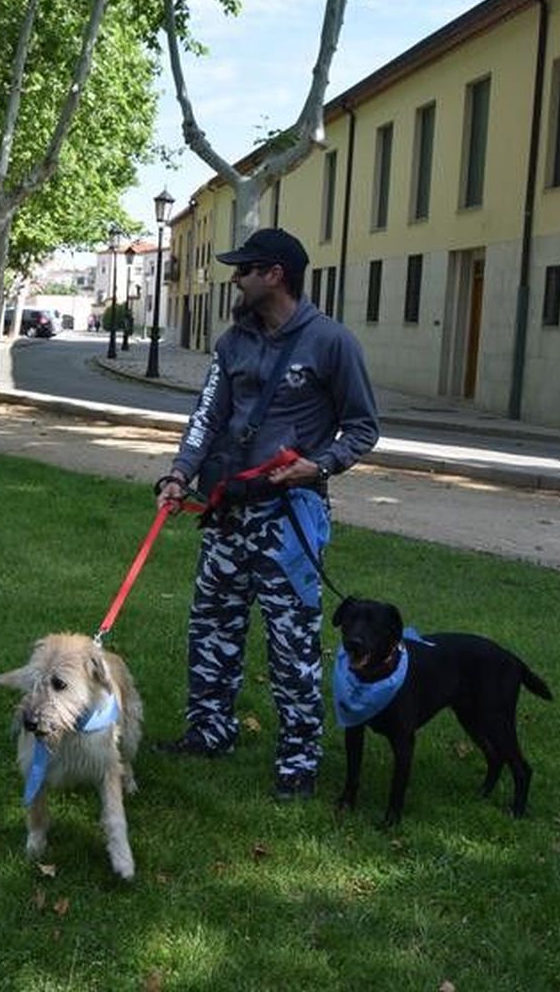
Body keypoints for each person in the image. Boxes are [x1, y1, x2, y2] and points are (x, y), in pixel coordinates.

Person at [154, 227, 380, 800]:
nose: (236, 278)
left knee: (292, 642)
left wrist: (319, 465)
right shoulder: (233, 344)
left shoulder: (332, 343)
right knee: (211, 626)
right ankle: (210, 731)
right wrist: (179, 474)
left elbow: (363, 428)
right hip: (227, 511)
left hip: (290, 519)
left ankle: (299, 761)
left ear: (274, 274)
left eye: (245, 269)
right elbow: (207, 418)